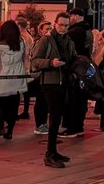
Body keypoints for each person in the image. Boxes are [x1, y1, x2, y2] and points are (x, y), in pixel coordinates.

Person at [30, 13, 75, 167]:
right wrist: (50, 63)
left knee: (57, 118)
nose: (63, 28)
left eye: (66, 25)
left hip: (63, 82)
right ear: (55, 24)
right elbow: (35, 61)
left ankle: (54, 151)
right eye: (61, 24)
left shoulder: (68, 40)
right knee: (54, 117)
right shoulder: (46, 40)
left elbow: (73, 58)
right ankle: (49, 154)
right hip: (50, 82)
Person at [0, 20, 27, 140]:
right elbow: (25, 58)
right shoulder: (21, 43)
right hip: (17, 77)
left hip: (2, 77)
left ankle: (1, 127)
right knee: (13, 106)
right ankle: (10, 131)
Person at [61, 8, 93, 137]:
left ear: (75, 16)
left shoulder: (75, 32)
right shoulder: (87, 30)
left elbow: (66, 49)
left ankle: (72, 127)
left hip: (75, 68)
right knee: (81, 98)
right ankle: (78, 125)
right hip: (84, 68)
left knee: (73, 98)